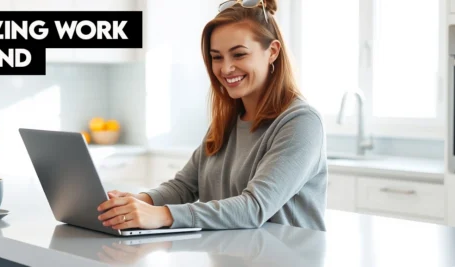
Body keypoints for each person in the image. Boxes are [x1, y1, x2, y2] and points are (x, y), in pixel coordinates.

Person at [96, 0, 328, 232]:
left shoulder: (301, 122)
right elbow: (183, 186)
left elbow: (255, 207)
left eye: (238, 54)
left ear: (273, 52)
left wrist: (162, 215)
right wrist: (137, 202)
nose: (226, 69)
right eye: (217, 57)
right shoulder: (228, 121)